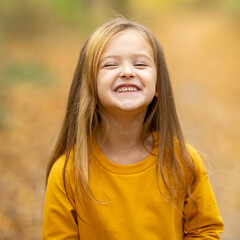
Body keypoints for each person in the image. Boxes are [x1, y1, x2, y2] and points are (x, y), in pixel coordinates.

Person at [42, 17, 224, 239]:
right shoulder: (67, 173)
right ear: (89, 84)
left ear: (158, 85)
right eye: (110, 64)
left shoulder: (182, 161)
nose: (127, 72)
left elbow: (205, 231)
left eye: (140, 64)